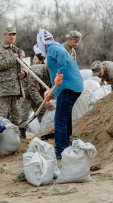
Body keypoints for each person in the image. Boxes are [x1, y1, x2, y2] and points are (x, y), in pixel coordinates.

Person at [36, 29, 83, 159]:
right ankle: (66, 144)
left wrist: (59, 74)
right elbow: (57, 80)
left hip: (69, 87)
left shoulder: (52, 47)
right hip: (73, 86)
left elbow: (62, 56)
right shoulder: (54, 46)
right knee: (65, 116)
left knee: (59, 120)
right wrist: (52, 93)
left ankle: (61, 151)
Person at [0, 27, 26, 132]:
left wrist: (23, 73)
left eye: (14, 35)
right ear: (4, 35)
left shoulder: (17, 50)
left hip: (16, 89)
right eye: (9, 34)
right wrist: (12, 58)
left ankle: (14, 139)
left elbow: (22, 66)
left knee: (16, 116)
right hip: (4, 89)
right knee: (2, 117)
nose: (12, 37)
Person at [18, 63, 52, 138]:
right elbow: (32, 90)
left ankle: (44, 133)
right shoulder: (37, 72)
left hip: (39, 93)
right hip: (26, 92)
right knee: (24, 114)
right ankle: (22, 134)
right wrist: (43, 103)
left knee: (43, 115)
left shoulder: (53, 74)